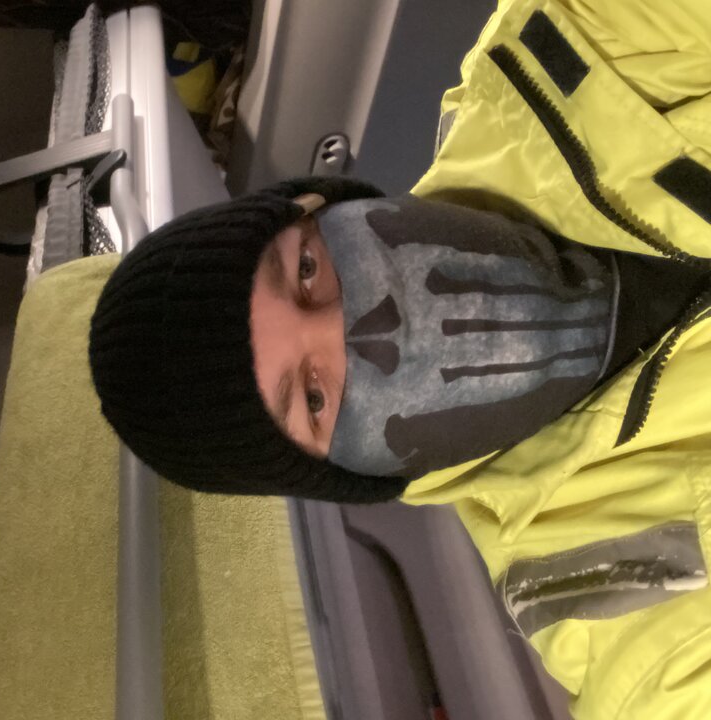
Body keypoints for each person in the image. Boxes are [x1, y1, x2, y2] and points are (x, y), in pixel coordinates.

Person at [89, 1, 711, 717]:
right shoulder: (607, 580)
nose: (368, 331)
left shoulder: (560, 48)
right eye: (314, 397)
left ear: (319, 202)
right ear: (354, 474)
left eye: (307, 272)